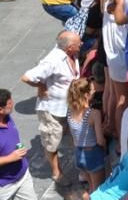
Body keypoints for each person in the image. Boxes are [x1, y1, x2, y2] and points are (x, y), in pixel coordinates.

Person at [20, 31, 82, 181]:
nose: (82, 44)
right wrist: (40, 85)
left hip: (66, 106)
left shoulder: (72, 55)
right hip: (51, 109)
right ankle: (56, 173)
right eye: (78, 43)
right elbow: (26, 77)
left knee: (63, 134)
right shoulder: (53, 61)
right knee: (51, 142)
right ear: (69, 47)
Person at [0, 88, 37, 200]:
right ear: (0, 109)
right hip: (3, 183)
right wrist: (11, 157)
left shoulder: (8, 118)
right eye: (9, 103)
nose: (12, 104)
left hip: (22, 174)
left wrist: (19, 151)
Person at [65, 78, 106, 192]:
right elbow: (100, 141)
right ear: (87, 95)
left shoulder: (70, 111)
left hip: (78, 153)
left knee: (91, 186)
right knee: (98, 190)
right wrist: (105, 145)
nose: (94, 92)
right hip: (93, 154)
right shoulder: (94, 113)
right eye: (92, 90)